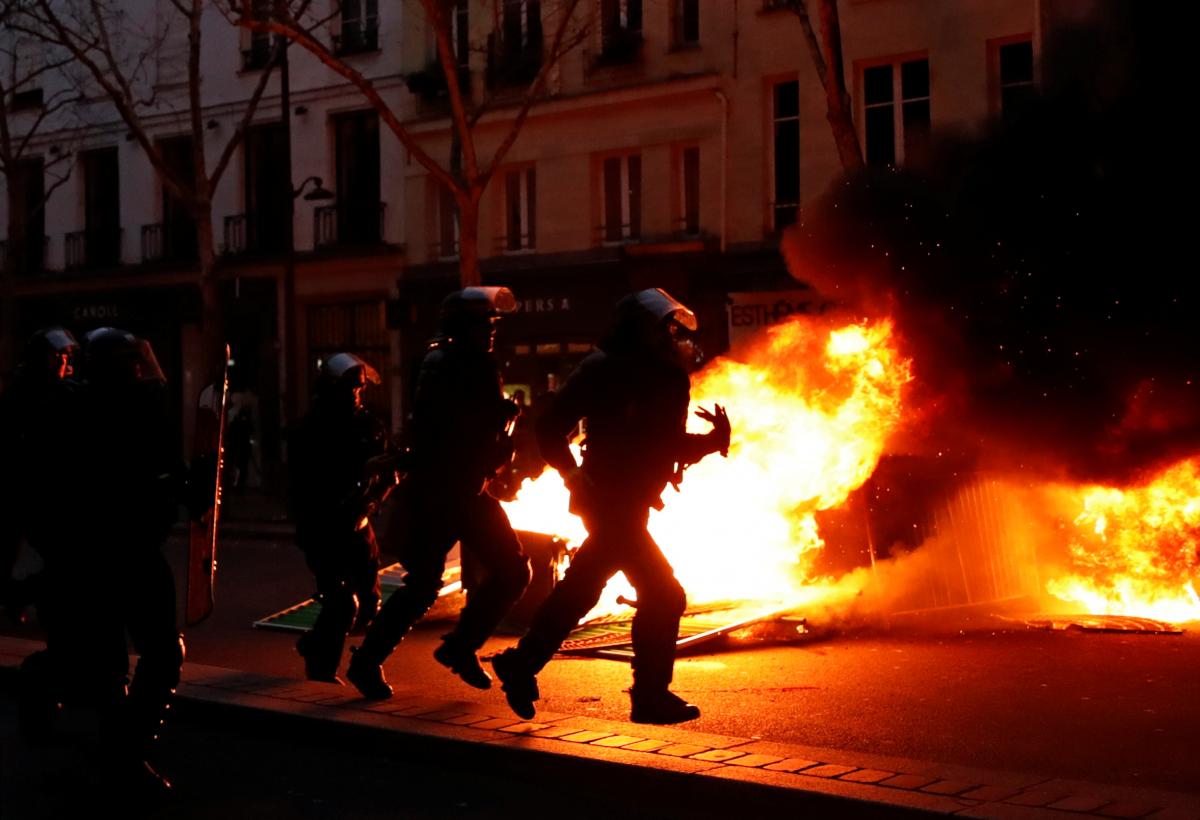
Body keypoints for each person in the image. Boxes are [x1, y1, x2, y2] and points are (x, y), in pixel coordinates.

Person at [492, 288, 731, 725]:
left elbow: (662, 445)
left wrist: (712, 443)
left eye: (672, 328)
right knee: (664, 594)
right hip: (607, 499)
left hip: (632, 501)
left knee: (582, 588)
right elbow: (550, 427)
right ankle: (649, 697)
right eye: (663, 327)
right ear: (641, 328)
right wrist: (570, 472)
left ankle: (520, 665)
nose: (670, 335)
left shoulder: (667, 376)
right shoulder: (602, 370)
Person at [347, 287, 531, 698]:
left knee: (431, 583)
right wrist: (500, 420)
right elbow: (458, 429)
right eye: (483, 325)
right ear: (462, 327)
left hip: (456, 486)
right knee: (507, 571)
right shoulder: (469, 364)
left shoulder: (440, 360)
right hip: (452, 489)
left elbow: (447, 424)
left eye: (492, 324)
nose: (490, 332)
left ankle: (419, 653)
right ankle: (454, 647)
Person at [31, 327, 186, 793]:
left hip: (137, 549)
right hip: (95, 556)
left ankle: (125, 746)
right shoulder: (70, 413)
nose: (140, 369)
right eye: (129, 362)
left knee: (161, 654)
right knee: (106, 668)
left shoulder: (140, 408)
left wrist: (186, 486)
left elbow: (164, 470)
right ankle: (122, 756)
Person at [289, 353, 395, 683]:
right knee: (340, 603)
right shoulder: (313, 428)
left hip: (359, 524)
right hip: (323, 526)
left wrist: (374, 498)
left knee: (369, 604)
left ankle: (315, 643)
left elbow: (386, 472)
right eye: (350, 388)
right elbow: (305, 481)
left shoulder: (368, 424)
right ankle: (322, 671)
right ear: (331, 388)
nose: (357, 395)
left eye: (360, 389)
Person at [0, 328, 78, 626]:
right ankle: (18, 597)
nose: (62, 360)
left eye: (65, 355)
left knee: (58, 554)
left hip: (44, 487)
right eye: (56, 355)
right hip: (25, 486)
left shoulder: (59, 387)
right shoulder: (28, 390)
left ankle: (26, 598)